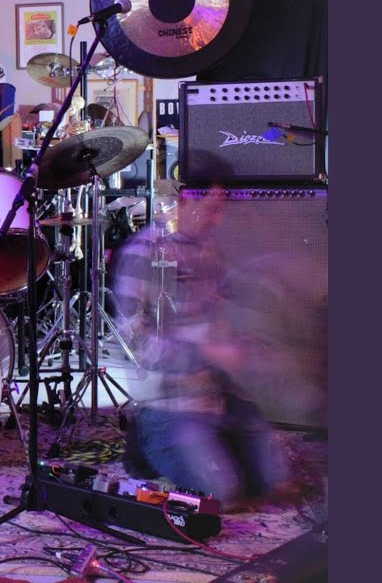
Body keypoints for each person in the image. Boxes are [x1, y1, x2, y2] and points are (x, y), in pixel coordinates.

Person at [111, 163, 291, 509]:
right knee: (221, 496)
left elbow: (220, 316)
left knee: (276, 481)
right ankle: (147, 445)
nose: (217, 221)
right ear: (183, 201)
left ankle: (210, 447)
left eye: (221, 211)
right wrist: (207, 352)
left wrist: (249, 342)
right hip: (168, 404)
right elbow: (133, 342)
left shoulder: (208, 249)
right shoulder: (142, 253)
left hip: (215, 395)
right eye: (210, 210)